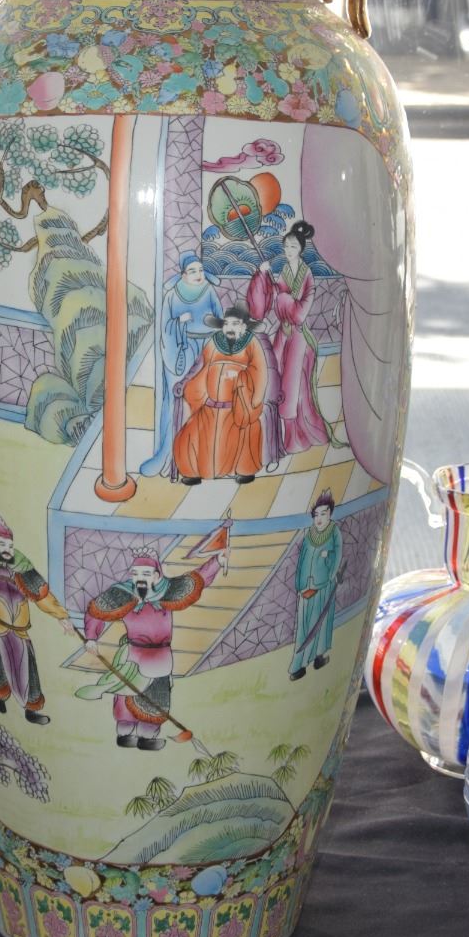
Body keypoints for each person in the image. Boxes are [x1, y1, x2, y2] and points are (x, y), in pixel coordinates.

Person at [84, 547, 225, 749]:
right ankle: (124, 733)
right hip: (133, 653)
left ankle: (147, 737)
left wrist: (217, 560)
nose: (140, 578)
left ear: (157, 576)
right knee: (126, 693)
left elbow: (198, 578)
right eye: (136, 573)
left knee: (156, 695)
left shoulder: (168, 591)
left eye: (145, 573)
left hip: (160, 655)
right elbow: (95, 611)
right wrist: (91, 638)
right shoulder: (123, 593)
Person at [0, 510, 75, 725]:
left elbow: (42, 595)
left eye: (9, 546)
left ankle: (31, 710)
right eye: (2, 545)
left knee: (27, 668)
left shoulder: (22, 567)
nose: (6, 549)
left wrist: (61, 616)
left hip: (19, 629)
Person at [248, 219, 337, 455]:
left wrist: (282, 299)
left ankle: (296, 438)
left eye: (293, 247)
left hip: (297, 336)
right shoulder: (286, 272)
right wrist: (263, 276)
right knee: (276, 379)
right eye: (286, 247)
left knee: (293, 387)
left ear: (300, 249)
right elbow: (275, 298)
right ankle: (282, 434)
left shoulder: (307, 276)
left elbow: (298, 311)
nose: (288, 251)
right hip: (283, 335)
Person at [139, 251, 223, 476]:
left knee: (205, 400)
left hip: (206, 350)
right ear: (183, 274)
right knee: (178, 402)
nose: (198, 274)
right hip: (181, 352)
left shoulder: (209, 291)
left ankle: (201, 456)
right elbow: (165, 327)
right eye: (193, 271)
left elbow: (220, 320)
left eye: (201, 270)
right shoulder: (172, 296)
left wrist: (213, 324)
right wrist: (179, 322)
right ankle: (170, 456)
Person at [172, 300, 269, 484]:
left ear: (243, 326)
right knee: (190, 434)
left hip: (239, 406)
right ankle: (193, 472)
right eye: (226, 324)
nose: (229, 328)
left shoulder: (252, 343)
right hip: (211, 406)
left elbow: (260, 371)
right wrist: (186, 383)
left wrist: (241, 377)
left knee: (247, 434)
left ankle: (244, 471)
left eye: (235, 324)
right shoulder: (213, 342)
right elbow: (200, 365)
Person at [289, 489, 343, 681]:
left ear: (330, 514)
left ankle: (318, 657)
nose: (320, 518)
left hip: (324, 585)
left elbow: (337, 554)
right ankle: (298, 664)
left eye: (324, 513)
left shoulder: (333, 531)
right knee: (305, 626)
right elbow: (302, 559)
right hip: (306, 587)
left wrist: (329, 571)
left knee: (321, 622)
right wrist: (299, 584)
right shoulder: (309, 534)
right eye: (317, 514)